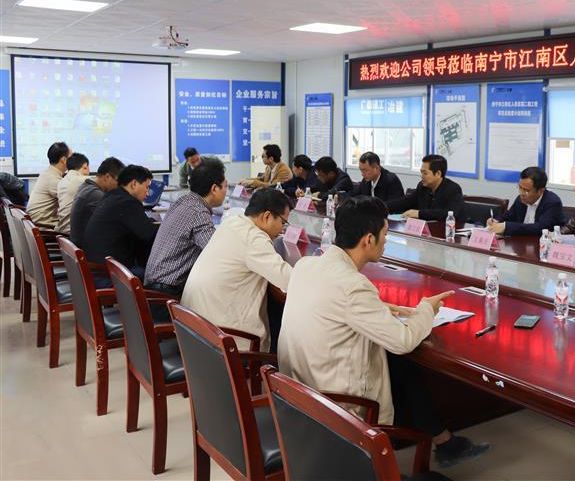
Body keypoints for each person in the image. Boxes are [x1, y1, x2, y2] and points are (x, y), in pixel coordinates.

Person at [278, 196, 490, 468]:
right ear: (369, 239)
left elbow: (334, 304)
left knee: (400, 366)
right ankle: (436, 442)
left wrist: (380, 307)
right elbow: (402, 341)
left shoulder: (307, 265)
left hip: (300, 390)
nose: (386, 241)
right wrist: (426, 309)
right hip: (338, 405)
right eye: (385, 234)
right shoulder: (353, 285)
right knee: (400, 358)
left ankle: (443, 440)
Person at [181, 188, 293, 350]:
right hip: (223, 342)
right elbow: (289, 281)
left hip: (194, 331)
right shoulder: (253, 238)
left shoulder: (232, 223)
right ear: (267, 216)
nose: (282, 230)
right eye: (283, 223)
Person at [143, 158, 227, 298]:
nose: (226, 191)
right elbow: (217, 252)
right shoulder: (199, 212)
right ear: (214, 189)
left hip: (155, 285)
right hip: (166, 294)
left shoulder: (184, 200)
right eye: (225, 186)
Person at [82, 165, 159, 284]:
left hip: (96, 271)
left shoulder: (111, 196)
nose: (148, 193)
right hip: (110, 276)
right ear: (134, 184)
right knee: (163, 277)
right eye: (146, 187)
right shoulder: (128, 203)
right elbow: (149, 235)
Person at [486, 166, 565, 236]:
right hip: (520, 244)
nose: (522, 193)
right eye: (520, 188)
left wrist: (506, 227)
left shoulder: (553, 203)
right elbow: (507, 217)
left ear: (540, 191)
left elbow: (540, 228)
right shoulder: (520, 199)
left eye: (526, 190)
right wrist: (496, 221)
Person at [387, 154, 466, 223]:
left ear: (438, 173)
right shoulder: (422, 186)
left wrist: (419, 213)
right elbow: (405, 202)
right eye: (421, 172)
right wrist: (383, 206)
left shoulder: (453, 189)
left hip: (449, 231)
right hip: (428, 230)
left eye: (425, 173)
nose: (421, 176)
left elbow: (448, 213)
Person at [70, 157, 124, 247]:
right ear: (107, 177)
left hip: (79, 247)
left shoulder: (86, 186)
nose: (119, 187)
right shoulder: (96, 195)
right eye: (118, 182)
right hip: (87, 251)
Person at [26, 141, 71, 229]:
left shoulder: (48, 173)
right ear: (63, 160)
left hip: (37, 222)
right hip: (43, 226)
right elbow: (72, 199)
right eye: (72, 157)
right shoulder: (53, 179)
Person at [55, 152, 90, 235]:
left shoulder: (61, 181)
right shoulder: (84, 180)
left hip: (61, 232)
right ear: (85, 167)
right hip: (72, 234)